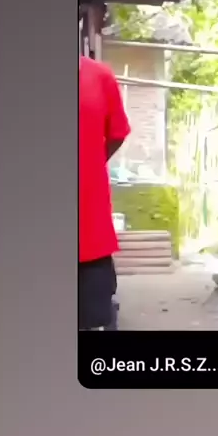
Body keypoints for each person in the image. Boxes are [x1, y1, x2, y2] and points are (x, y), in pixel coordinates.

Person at [79, 54, 130, 330]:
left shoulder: (99, 77)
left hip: (89, 234)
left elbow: (117, 133)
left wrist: (88, 165)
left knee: (93, 319)